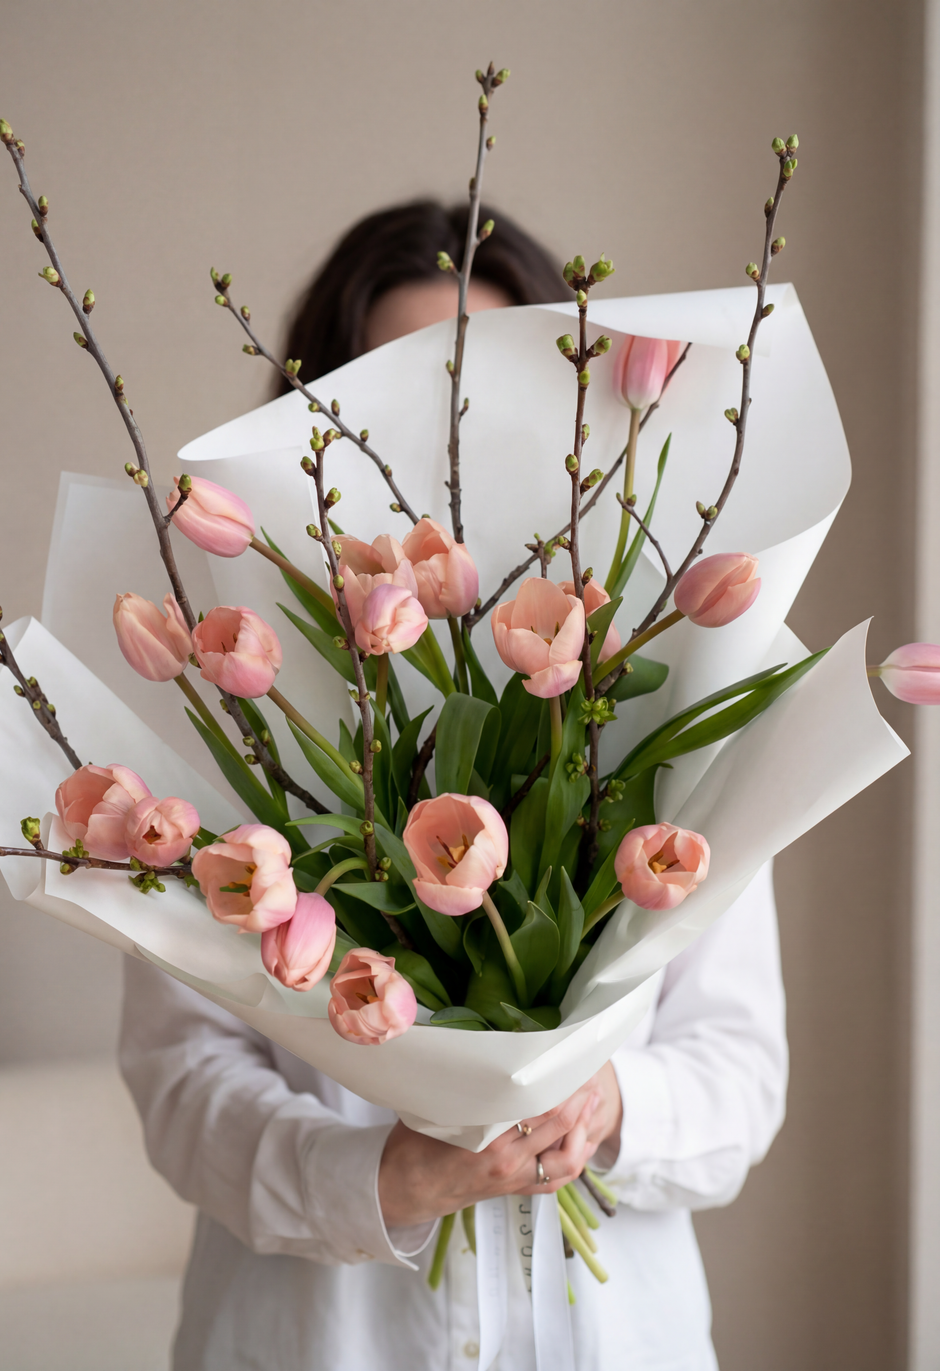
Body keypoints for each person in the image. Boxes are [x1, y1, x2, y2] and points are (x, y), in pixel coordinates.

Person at [119, 200, 788, 1371]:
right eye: (393, 395)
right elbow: (182, 1086)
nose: (435, 447)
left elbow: (740, 1071)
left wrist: (607, 1105)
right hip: (310, 1337)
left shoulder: (654, 704)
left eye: (469, 398)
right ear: (315, 421)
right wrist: (378, 1178)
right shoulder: (238, 699)